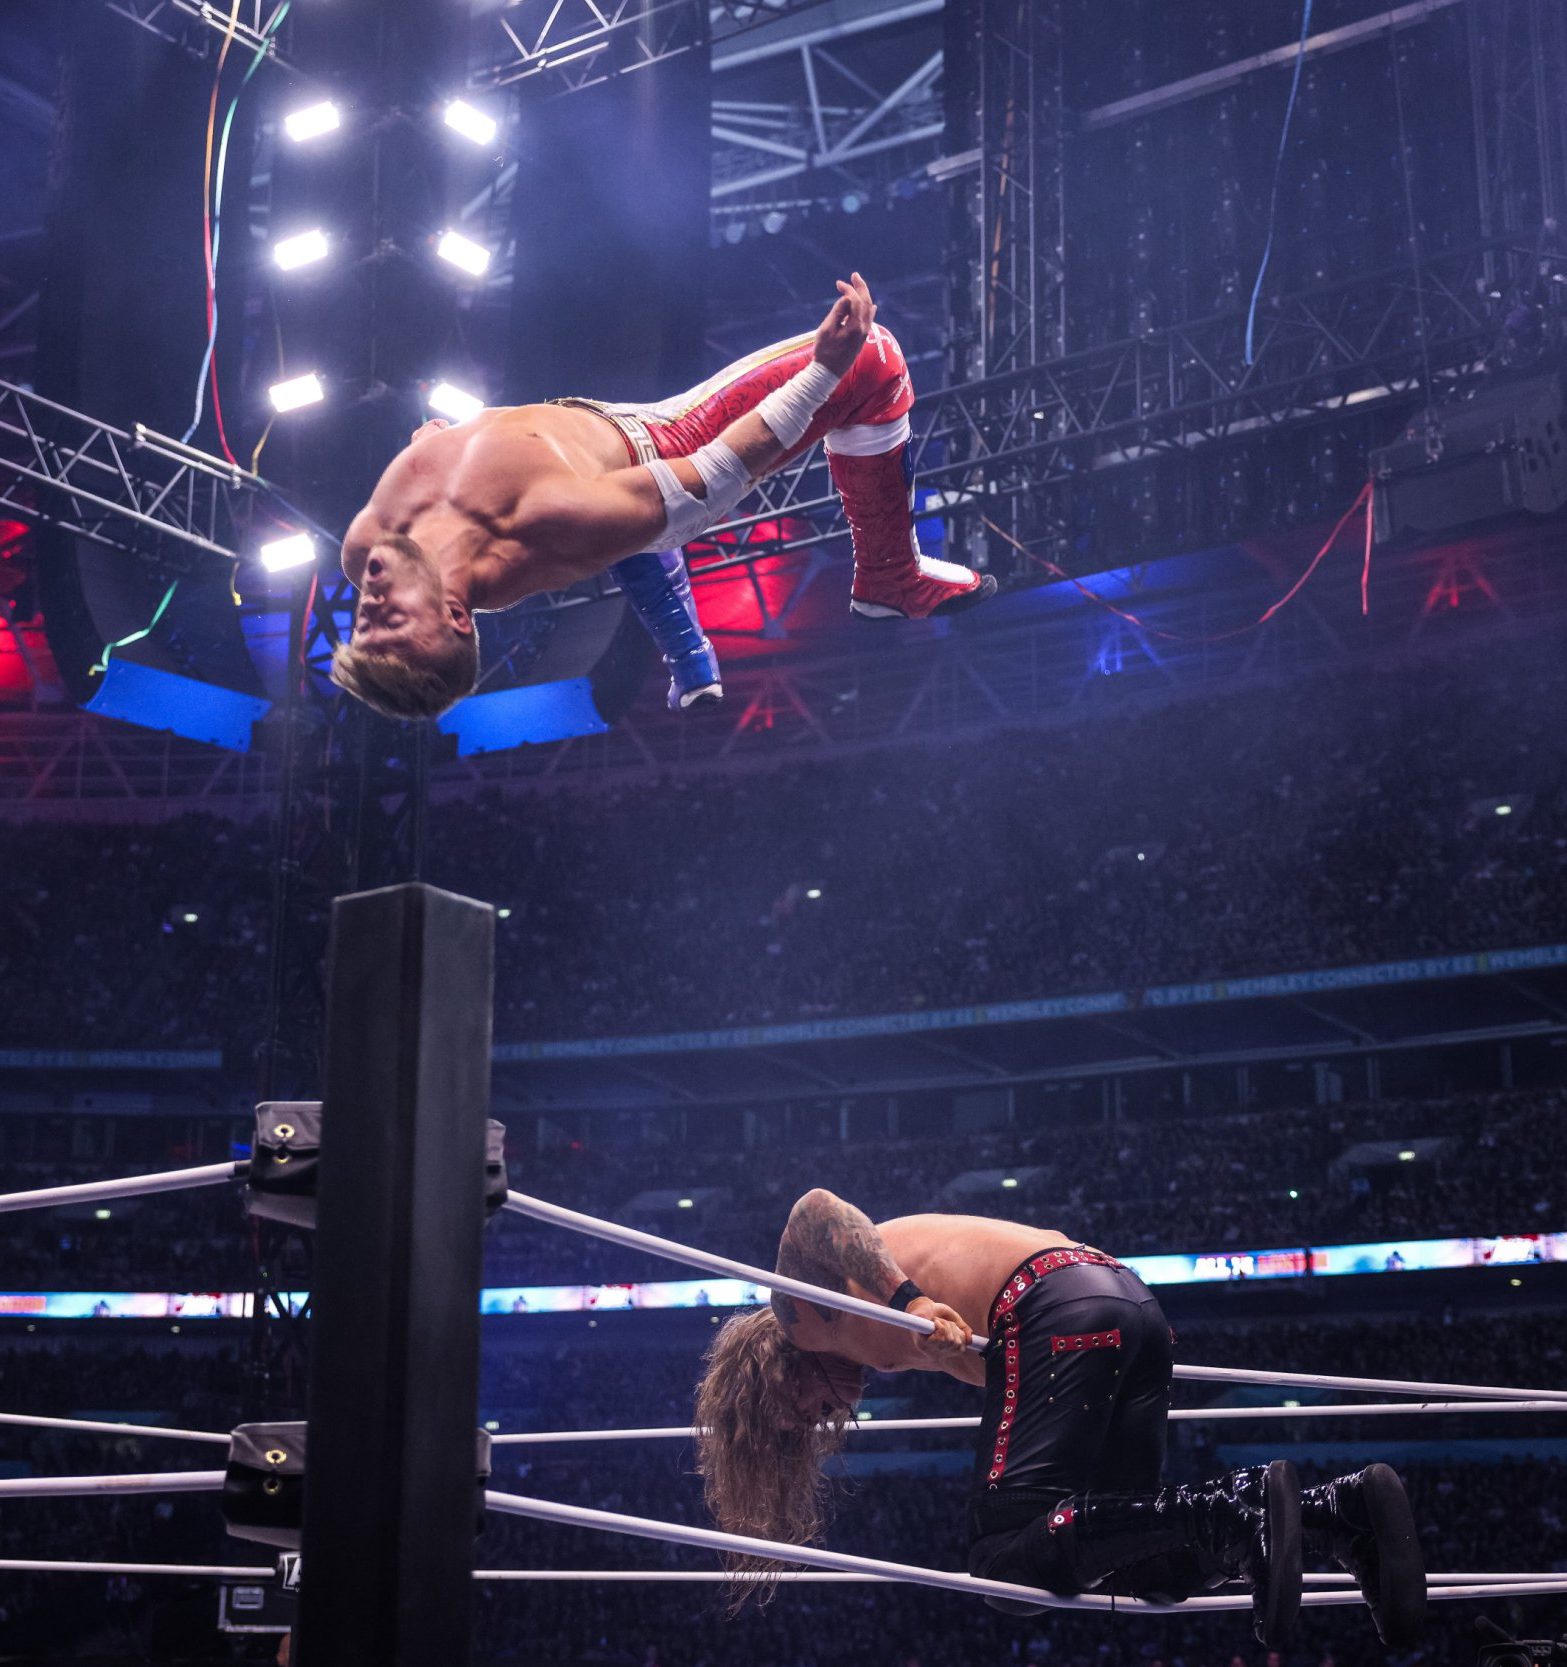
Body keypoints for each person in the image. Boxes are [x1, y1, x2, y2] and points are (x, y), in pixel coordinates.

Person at [694, 1190, 1426, 1650]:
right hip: (1120, 1304)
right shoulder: (874, 1350)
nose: (819, 1420)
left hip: (1054, 1303)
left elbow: (815, 1210)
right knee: (1138, 1564)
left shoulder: (798, 1314)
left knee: (998, 1559)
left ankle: (1233, 1513)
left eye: (794, 1417)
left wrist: (907, 1297)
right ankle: (1340, 1512)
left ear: (768, 1380)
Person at [331, 273, 996, 720]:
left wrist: (439, 446)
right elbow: (723, 468)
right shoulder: (547, 522)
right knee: (874, 358)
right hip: (665, 442)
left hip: (584, 464)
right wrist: (827, 366)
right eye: (391, 622)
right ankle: (890, 575)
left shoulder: (366, 546)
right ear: (455, 617)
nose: (371, 603)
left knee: (628, 531)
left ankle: (691, 658)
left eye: (363, 622)